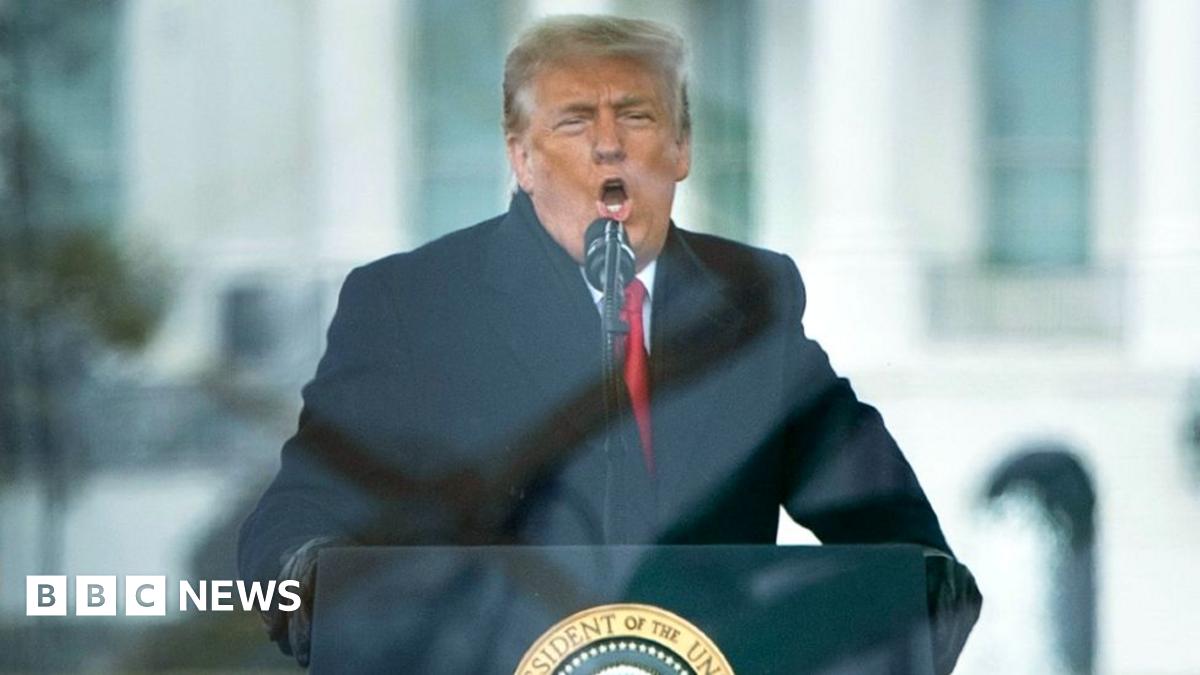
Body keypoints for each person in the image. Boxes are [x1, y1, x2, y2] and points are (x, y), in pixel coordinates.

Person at [238, 14, 980, 673]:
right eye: (573, 122)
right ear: (521, 159)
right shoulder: (413, 304)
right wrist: (330, 589)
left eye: (636, 116)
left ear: (681, 147)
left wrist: (836, 629)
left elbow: (912, 556)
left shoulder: (752, 308)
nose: (607, 146)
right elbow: (295, 525)